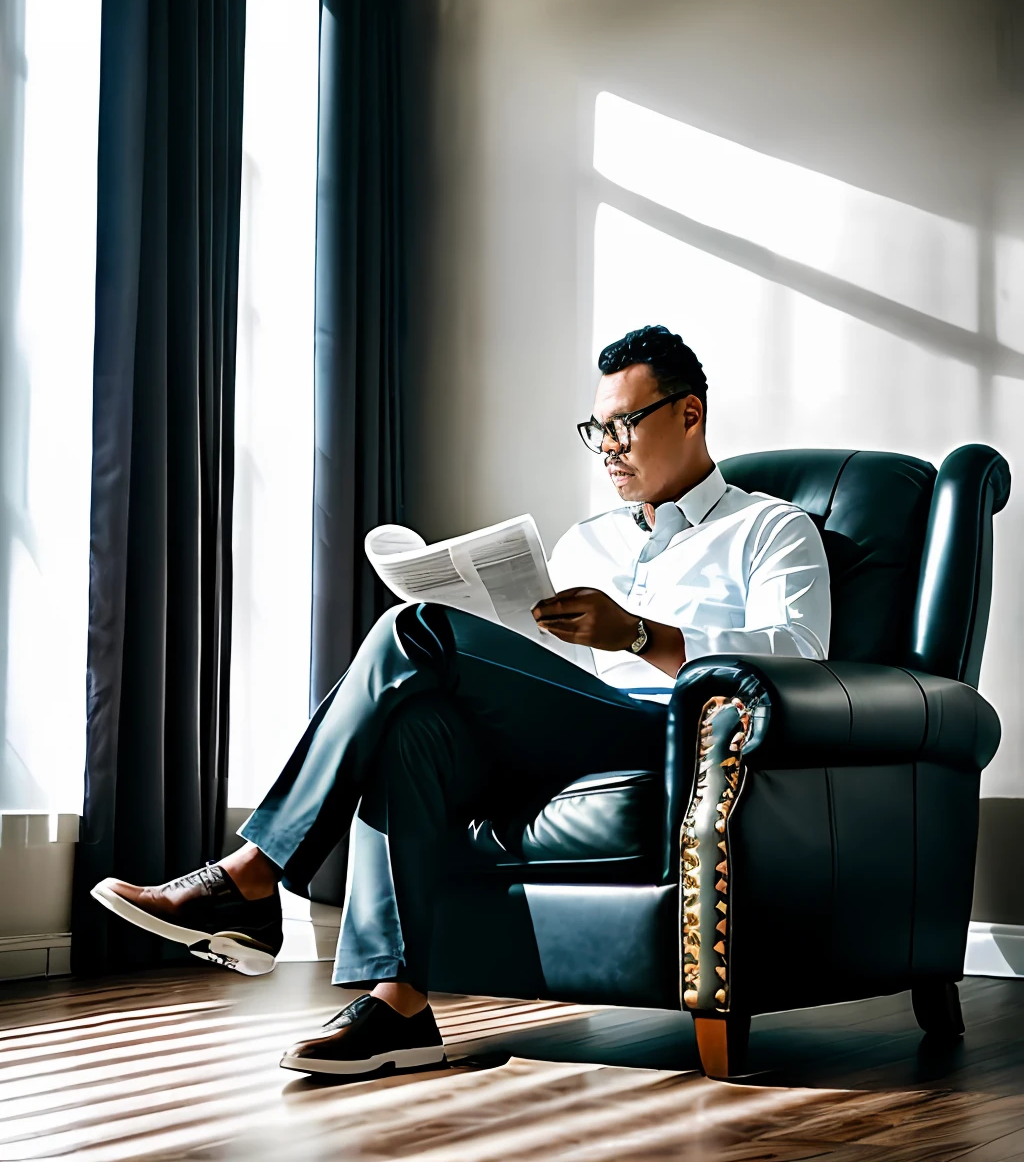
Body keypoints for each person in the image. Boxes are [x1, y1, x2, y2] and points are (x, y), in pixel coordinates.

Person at [92, 324, 830, 1077]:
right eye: (597, 429)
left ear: (689, 414)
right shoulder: (588, 541)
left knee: (409, 629)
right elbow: (549, 666)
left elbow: (801, 659)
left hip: (669, 737)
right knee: (413, 724)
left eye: (625, 425)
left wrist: (642, 634)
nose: (609, 445)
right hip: (558, 729)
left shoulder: (769, 529)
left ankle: (253, 874)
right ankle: (400, 1005)